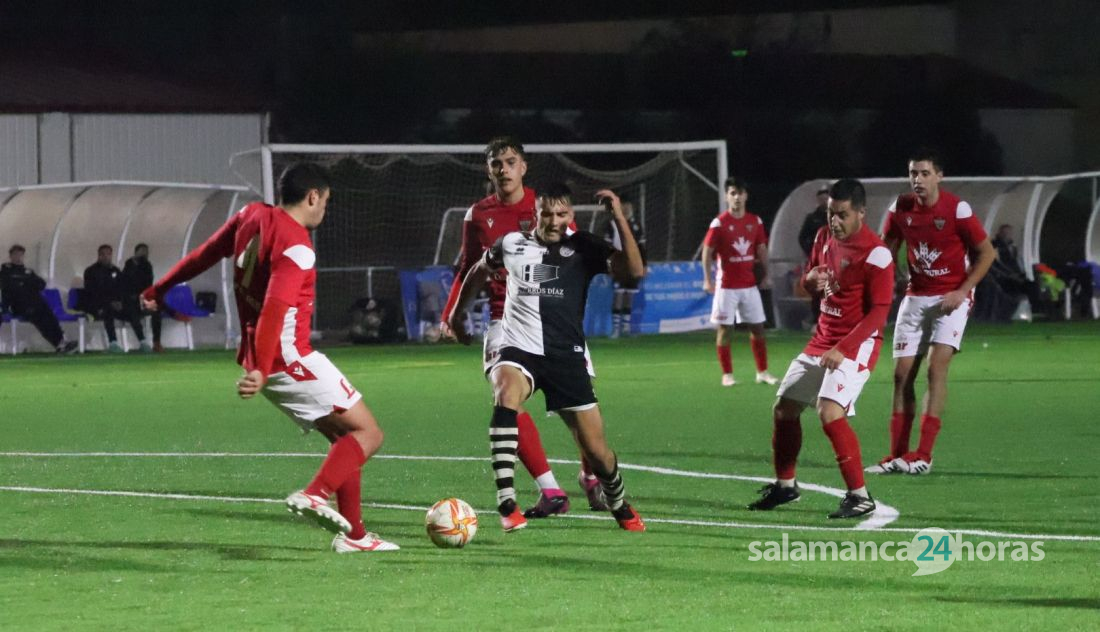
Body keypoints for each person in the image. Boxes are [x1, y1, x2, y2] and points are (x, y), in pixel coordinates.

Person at [141, 163, 398, 553]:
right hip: (286, 356)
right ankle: (316, 494)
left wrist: (160, 288)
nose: (324, 210)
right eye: (325, 202)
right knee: (369, 434)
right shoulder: (297, 246)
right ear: (313, 196)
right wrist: (263, 368)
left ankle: (355, 537)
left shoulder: (250, 216)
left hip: (263, 357)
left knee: (343, 440)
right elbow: (275, 309)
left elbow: (203, 254)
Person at [448, 184, 646, 532]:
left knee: (598, 453)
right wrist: (456, 315)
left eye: (561, 214)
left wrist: (618, 218)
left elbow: (634, 272)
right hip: (518, 347)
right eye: (547, 214)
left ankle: (618, 502)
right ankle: (507, 501)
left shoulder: (584, 247)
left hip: (565, 356)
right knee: (505, 392)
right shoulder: (512, 244)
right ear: (535, 214)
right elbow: (478, 271)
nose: (554, 221)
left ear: (571, 216)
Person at [439, 136, 603, 520]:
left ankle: (590, 477)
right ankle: (551, 490)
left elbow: (574, 253)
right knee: (506, 397)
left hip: (556, 322)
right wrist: (452, 315)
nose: (504, 169)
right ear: (489, 170)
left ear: (523, 167)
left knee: (580, 402)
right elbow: (467, 268)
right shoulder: (477, 215)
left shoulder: (546, 206)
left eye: (511, 161)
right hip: (505, 320)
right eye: (497, 163)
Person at [747, 178, 893, 519]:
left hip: (856, 344)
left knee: (829, 412)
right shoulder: (823, 238)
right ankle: (786, 487)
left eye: (842, 214)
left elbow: (880, 312)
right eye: (831, 213)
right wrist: (808, 282)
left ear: (861, 212)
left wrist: (844, 347)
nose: (834, 221)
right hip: (822, 340)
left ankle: (860, 496)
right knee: (784, 409)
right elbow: (809, 285)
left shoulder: (877, 254)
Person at [866, 149, 995, 476]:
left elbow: (987, 253)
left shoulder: (957, 209)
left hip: (951, 298)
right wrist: (889, 271)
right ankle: (897, 455)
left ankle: (923, 454)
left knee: (935, 370)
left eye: (924, 173)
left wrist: (963, 291)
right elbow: (887, 245)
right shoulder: (901, 207)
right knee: (900, 376)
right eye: (913, 173)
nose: (917, 180)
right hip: (916, 296)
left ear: (939, 175)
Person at [701, 177, 779, 387]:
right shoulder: (719, 223)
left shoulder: (755, 221)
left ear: (746, 196)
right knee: (725, 330)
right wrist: (707, 280)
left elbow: (761, 248)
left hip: (749, 285)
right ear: (727, 196)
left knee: (758, 328)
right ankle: (727, 374)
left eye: (740, 193)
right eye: (733, 193)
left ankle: (762, 372)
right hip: (726, 287)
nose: (737, 197)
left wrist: (767, 274)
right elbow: (707, 252)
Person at [0, 245, 77, 354]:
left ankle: (61, 341)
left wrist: (25, 283)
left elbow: (41, 284)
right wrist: (26, 283)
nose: (18, 257)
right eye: (15, 254)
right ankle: (58, 343)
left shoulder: (28, 272)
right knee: (40, 319)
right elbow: (10, 286)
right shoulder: (6, 271)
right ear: (11, 256)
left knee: (49, 316)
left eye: (20, 255)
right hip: (19, 305)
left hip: (35, 303)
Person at [122, 243, 190, 353]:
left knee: (156, 309)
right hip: (131, 301)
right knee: (133, 312)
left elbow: (149, 283)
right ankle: (143, 342)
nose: (145, 254)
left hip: (143, 299)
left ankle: (156, 342)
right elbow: (126, 283)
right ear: (136, 252)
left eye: (146, 252)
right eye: (142, 251)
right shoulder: (129, 265)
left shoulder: (147, 266)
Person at [84, 244, 150, 353]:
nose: (106, 257)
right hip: (98, 306)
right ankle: (113, 343)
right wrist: (109, 302)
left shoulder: (115, 270)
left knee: (131, 309)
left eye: (108, 254)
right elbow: (92, 292)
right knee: (107, 310)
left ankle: (142, 342)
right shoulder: (91, 271)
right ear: (99, 256)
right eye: (103, 254)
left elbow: (122, 288)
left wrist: (120, 302)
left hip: (116, 305)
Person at [602, 198, 646, 338]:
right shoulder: (612, 224)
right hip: (618, 263)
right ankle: (615, 329)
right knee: (619, 294)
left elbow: (642, 246)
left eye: (628, 206)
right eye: (623, 206)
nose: (626, 208)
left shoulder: (636, 225)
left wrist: (644, 265)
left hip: (633, 263)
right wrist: (608, 264)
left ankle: (626, 327)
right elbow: (607, 247)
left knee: (629, 295)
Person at [798, 185, 830, 326]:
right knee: (817, 290)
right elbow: (802, 237)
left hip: (835, 260)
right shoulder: (812, 218)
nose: (824, 200)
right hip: (818, 261)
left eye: (826, 197)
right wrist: (811, 253)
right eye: (821, 197)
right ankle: (817, 320)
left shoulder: (835, 216)